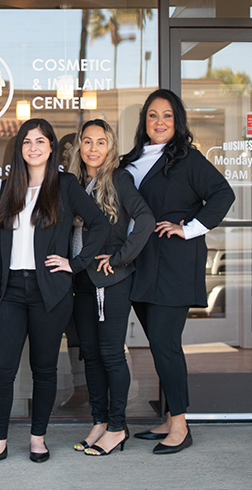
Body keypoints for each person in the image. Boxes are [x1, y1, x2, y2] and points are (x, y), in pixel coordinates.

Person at [0, 118, 111, 468]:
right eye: (26, 142)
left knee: (44, 369)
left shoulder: (65, 185)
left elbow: (99, 223)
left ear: (52, 147)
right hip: (10, 291)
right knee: (1, 370)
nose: (33, 147)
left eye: (40, 141)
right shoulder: (9, 187)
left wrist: (75, 263)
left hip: (50, 290)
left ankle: (37, 439)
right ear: (20, 149)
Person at [120, 89, 235, 454]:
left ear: (177, 121)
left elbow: (223, 194)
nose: (159, 122)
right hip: (139, 266)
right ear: (144, 121)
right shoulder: (131, 160)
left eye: (167, 116)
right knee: (158, 345)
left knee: (167, 346)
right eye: (153, 115)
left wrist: (189, 228)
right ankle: (170, 419)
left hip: (172, 265)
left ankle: (181, 427)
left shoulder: (188, 159)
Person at [68, 119, 155, 456]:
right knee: (90, 356)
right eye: (87, 142)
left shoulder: (119, 179)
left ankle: (117, 427)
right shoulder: (74, 182)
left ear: (110, 147)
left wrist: (120, 258)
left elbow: (145, 220)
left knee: (110, 355)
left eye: (100, 142)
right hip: (81, 281)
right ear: (79, 147)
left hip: (111, 282)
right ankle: (99, 422)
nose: (93, 149)